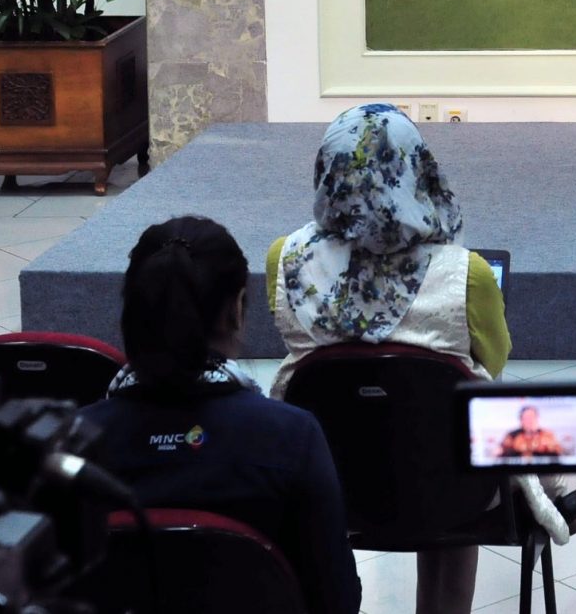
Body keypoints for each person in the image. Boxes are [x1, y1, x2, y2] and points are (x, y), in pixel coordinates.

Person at [269, 104, 576, 614]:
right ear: (418, 169)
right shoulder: (468, 273)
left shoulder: (283, 259)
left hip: (330, 482)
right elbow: (495, 361)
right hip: (455, 489)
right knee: (464, 426)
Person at [78, 217, 363, 614]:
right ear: (237, 309)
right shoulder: (291, 436)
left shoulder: (70, 445)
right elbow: (336, 600)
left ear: (133, 313)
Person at [497, 405, 565, 460]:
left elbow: (558, 453)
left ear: (537, 418)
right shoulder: (512, 436)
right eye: (526, 418)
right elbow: (501, 453)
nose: (529, 421)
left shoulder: (547, 435)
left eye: (532, 417)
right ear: (521, 420)